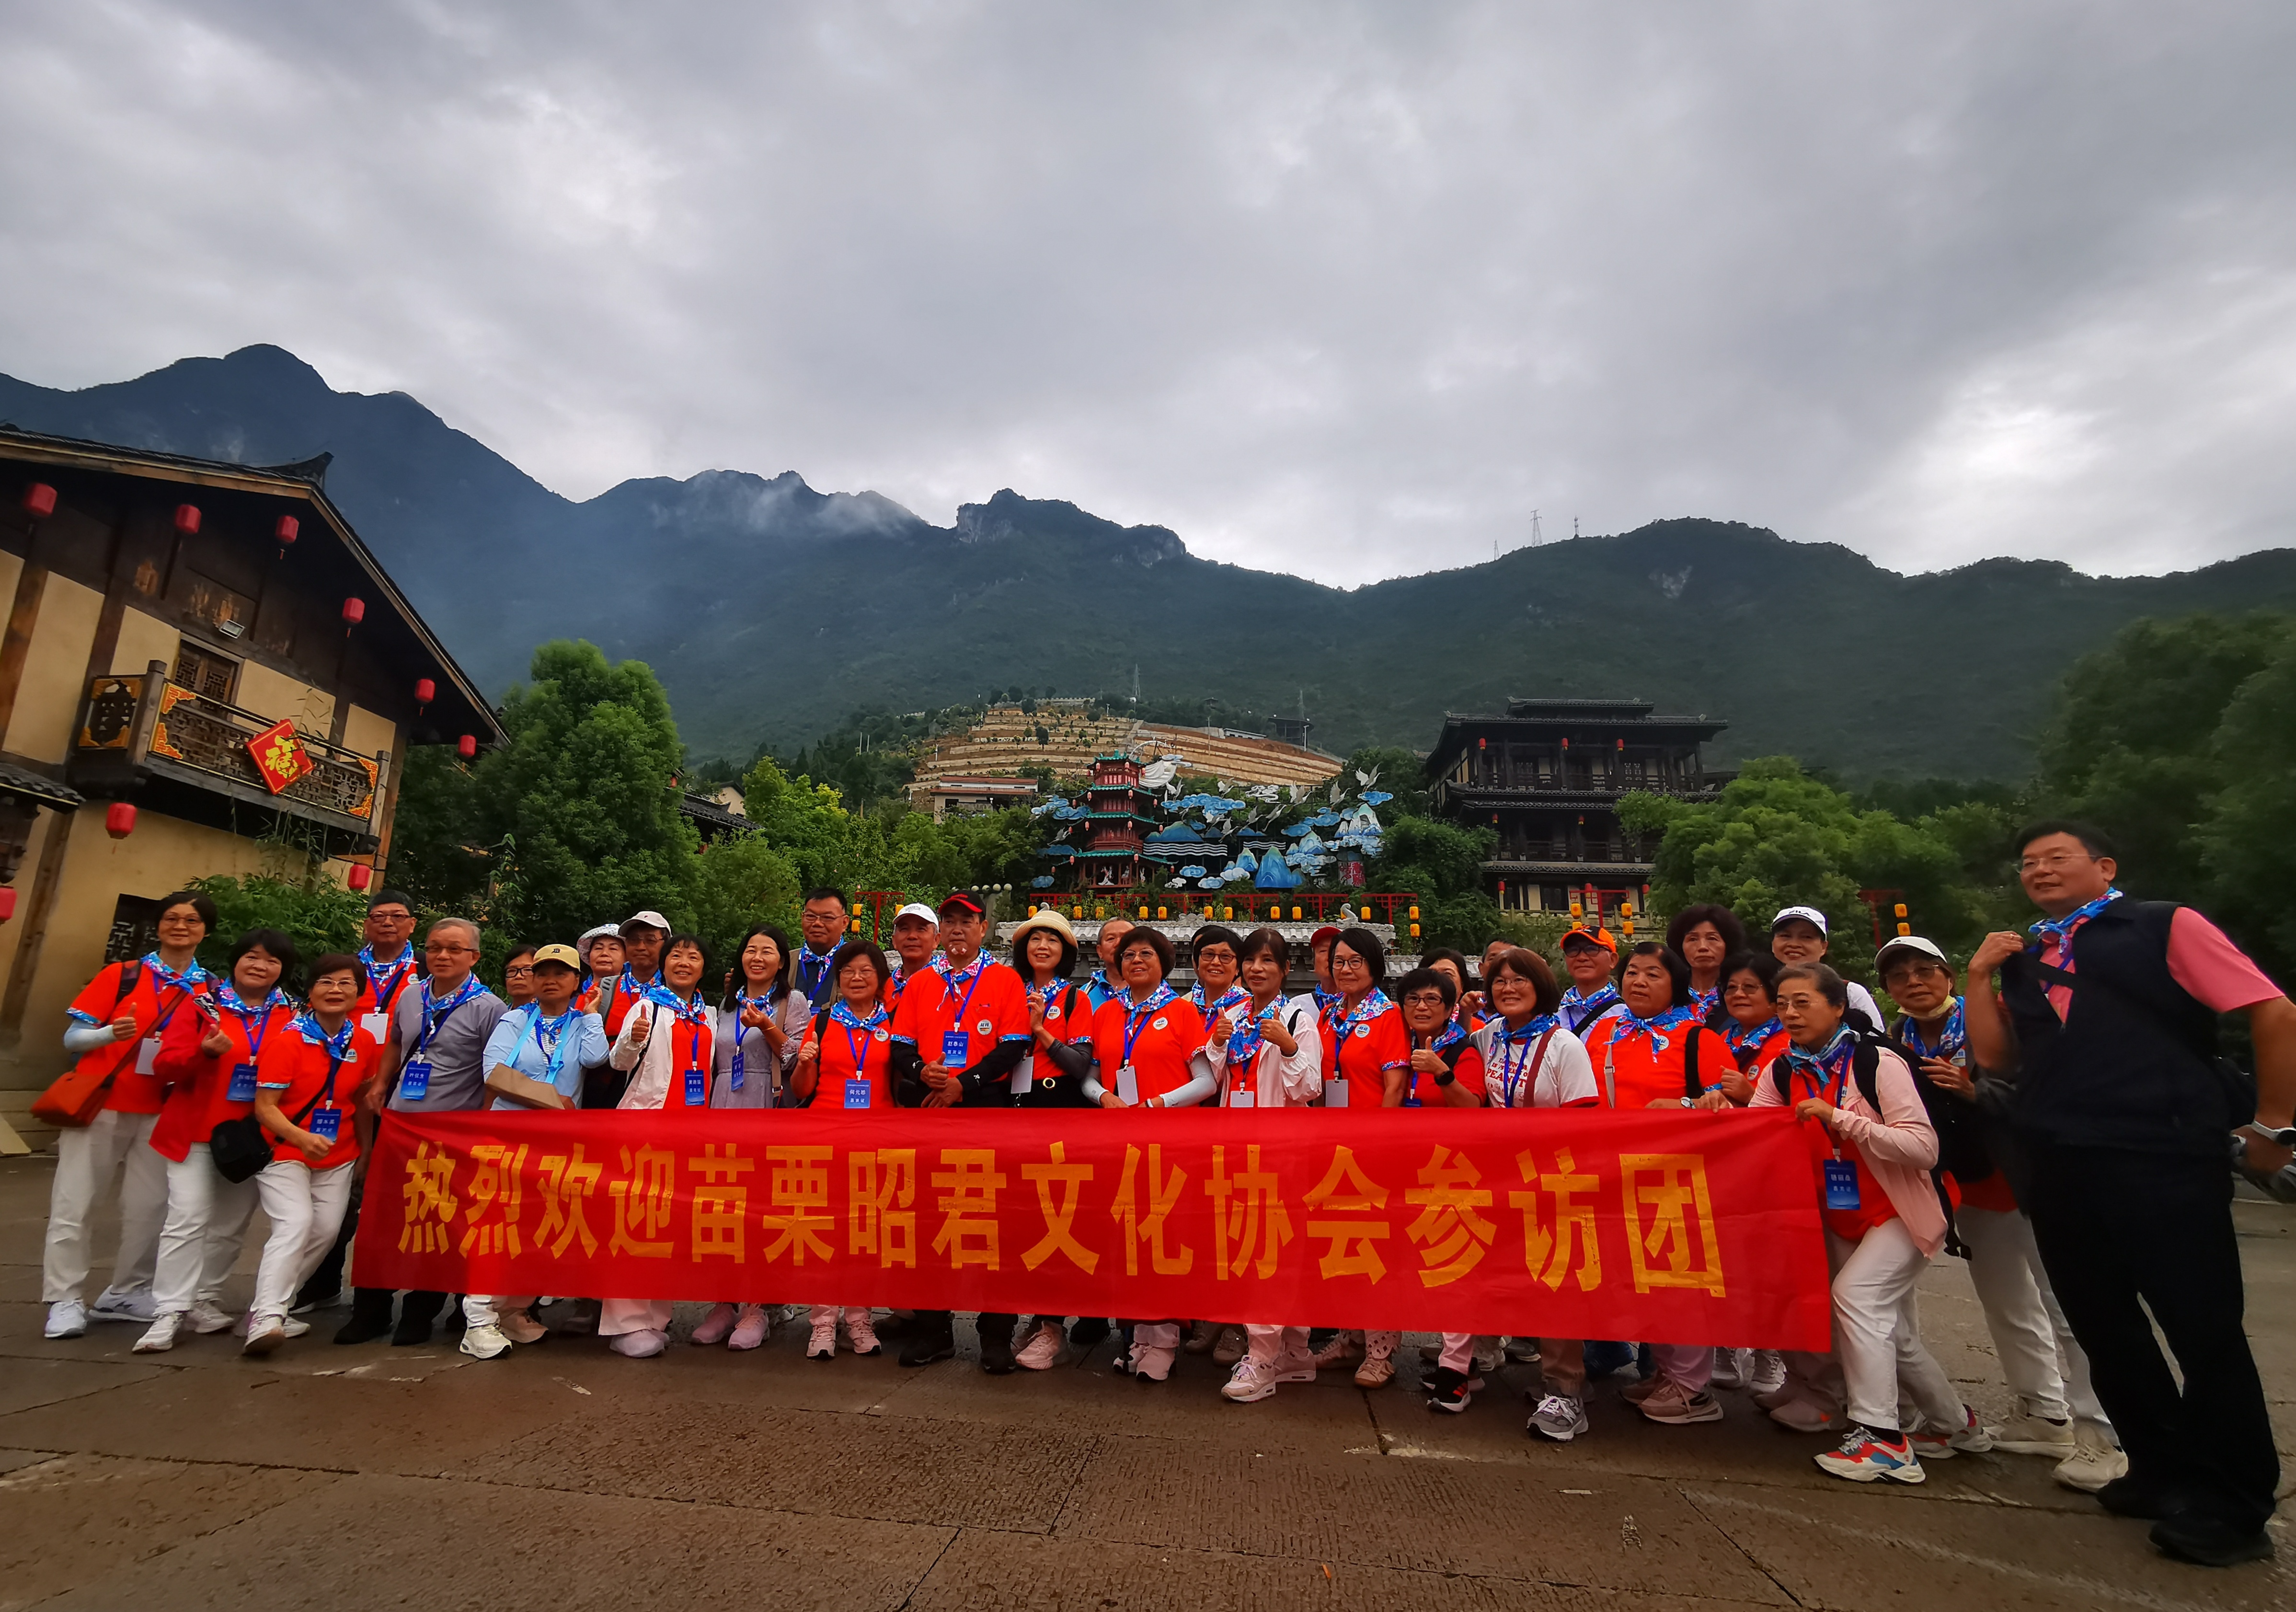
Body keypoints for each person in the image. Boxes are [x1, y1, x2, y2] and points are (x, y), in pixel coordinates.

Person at [1963, 821, 2293, 1566]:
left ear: (2105, 866)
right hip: (2060, 1160)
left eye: (2057, 858)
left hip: (2162, 1152)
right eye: (2028, 863)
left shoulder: (2163, 925)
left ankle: (2235, 1502)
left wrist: (2275, 1125)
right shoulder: (2028, 957)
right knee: (2104, 1324)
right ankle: (2160, 1468)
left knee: (2201, 1327)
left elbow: (2273, 1010)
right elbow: (1997, 1058)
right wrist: (1979, 975)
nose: (2040, 871)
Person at [1876, 933, 2122, 1492]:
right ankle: (2044, 1413)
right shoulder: (1898, 1039)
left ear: (1948, 975)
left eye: (1924, 970)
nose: (1913, 982)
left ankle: (2104, 1432)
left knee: (2071, 1307)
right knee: (2007, 1305)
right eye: (1898, 976)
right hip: (1973, 1187)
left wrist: (1974, 1091)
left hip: (2034, 1179)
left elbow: (2045, 1086)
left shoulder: (1994, 1017)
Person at [1754, 962, 1986, 1485]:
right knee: (1893, 1333)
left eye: (1803, 1002)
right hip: (1843, 1213)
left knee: (1856, 1299)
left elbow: (1923, 1148)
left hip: (1901, 1210)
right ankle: (1955, 1425)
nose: (1790, 1013)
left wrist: (1840, 1118)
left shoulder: (1876, 1060)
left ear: (1838, 1006)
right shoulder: (1782, 1069)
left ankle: (1882, 1438)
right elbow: (1755, 1131)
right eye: (1782, 1004)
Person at [43, 889, 215, 1339]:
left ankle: (127, 1291)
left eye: (192, 920)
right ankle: (64, 1297)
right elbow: (72, 1037)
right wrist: (108, 1034)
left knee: (149, 1208)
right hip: (101, 1105)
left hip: (162, 1110)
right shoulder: (123, 975)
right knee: (75, 1203)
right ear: (158, 926)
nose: (181, 927)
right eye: (172, 918)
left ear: (205, 931)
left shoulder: (211, 989)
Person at [339, 917, 507, 1347]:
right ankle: (371, 1311)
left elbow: (493, 1073)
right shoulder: (411, 995)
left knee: (437, 1224)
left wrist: (482, 1124)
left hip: (450, 1132)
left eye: (454, 949)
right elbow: (397, 1042)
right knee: (384, 1221)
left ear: (474, 957)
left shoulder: (490, 1008)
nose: (442, 956)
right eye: (434, 948)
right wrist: (380, 1084)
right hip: (400, 1125)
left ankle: (419, 1313)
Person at [1580, 942, 1728, 1426]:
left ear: (1676, 985)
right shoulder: (1606, 1032)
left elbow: (1726, 1106)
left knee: (1679, 1279)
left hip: (1676, 1178)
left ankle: (1693, 1388)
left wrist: (1682, 1107)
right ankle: (1665, 1371)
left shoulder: (1697, 1038)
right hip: (1613, 1173)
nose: (1639, 982)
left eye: (1653, 974)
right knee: (1644, 1279)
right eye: (1633, 973)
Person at [1457, 947, 1602, 1432]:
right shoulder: (1489, 1036)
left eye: (1519, 980)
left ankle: (1566, 1392)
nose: (1508, 989)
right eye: (1500, 981)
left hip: (1552, 1179)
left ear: (1540, 986)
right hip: (1498, 1179)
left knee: (1556, 1283)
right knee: (1497, 1274)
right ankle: (1482, 1358)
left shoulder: (1564, 1045)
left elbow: (1583, 1122)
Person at [134, 928, 298, 1352]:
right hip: (195, 1130)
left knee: (230, 1225)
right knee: (187, 1217)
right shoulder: (200, 1005)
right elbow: (165, 1064)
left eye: (272, 961)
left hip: (251, 1137)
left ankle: (204, 1299)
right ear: (236, 960)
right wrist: (202, 1053)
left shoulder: (293, 1014)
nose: (260, 966)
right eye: (252, 957)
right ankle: (169, 1310)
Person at [888, 891, 1033, 1370]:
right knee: (930, 1222)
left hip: (985, 1108)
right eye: (948, 921)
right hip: (931, 1109)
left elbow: (1013, 1046)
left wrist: (962, 1084)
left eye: (965, 921)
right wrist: (922, 1072)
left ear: (983, 928)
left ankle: (995, 1335)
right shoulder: (921, 983)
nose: (956, 929)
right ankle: (934, 1331)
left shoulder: (1004, 979)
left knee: (993, 1222)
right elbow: (901, 1047)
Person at [457, 944, 607, 1361]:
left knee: (542, 1228)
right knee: (498, 1226)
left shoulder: (581, 1022)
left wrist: (593, 1014)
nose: (550, 980)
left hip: (557, 1143)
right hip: (510, 1136)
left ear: (577, 982)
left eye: (561, 973)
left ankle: (511, 1311)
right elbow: (494, 1073)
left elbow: (597, 1058)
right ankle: (478, 1319)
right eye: (542, 973)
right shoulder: (515, 1020)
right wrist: (552, 1101)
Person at [1085, 923, 1212, 1382]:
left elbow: (1206, 1081)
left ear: (1164, 963)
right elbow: (1091, 1076)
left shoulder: (1181, 1011)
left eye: (1146, 954)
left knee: (1165, 1238)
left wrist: (1159, 1104)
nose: (1136, 961)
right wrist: (1104, 1096)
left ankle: (1165, 1339)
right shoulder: (1107, 1013)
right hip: (1120, 1139)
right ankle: (1139, 1335)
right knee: (1128, 1238)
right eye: (1128, 955)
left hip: (1169, 1142)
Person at [293, 887, 420, 1316]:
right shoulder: (344, 971)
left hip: (402, 1098)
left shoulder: (427, 972)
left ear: (412, 925)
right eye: (378, 916)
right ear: (366, 925)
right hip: (340, 1095)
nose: (387, 923)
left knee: (392, 1200)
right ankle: (321, 1282)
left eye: (397, 916)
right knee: (339, 1195)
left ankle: (379, 1296)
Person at [244, 955, 380, 1355]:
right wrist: (300, 1137)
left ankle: (273, 1305)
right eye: (326, 982)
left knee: (325, 1231)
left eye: (345, 983)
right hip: (284, 1149)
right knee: (295, 1223)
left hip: (339, 1154)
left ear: (358, 993)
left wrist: (366, 1151)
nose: (335, 990)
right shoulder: (287, 1040)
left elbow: (361, 1102)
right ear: (310, 992)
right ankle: (267, 1316)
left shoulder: (363, 1042)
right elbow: (265, 1107)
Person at [1216, 926, 1326, 1404]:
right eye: (1250, 960)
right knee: (1255, 1247)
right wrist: (1216, 1044)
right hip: (1236, 1149)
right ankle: (1296, 1352)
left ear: (1285, 970)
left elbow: (1309, 1087)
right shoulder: (1234, 1015)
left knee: (1270, 1252)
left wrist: (1287, 1046)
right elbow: (1215, 1081)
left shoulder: (1298, 1019)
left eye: (1267, 961)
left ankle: (1263, 1356)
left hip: (1280, 1152)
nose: (1256, 968)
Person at [598, 933, 717, 1358]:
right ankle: (625, 1325)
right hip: (646, 1130)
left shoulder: (707, 1016)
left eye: (693, 956)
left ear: (703, 968)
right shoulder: (647, 1006)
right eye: (676, 956)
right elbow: (619, 1062)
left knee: (669, 1230)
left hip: (689, 1134)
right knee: (634, 1226)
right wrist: (632, 1038)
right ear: (664, 964)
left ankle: (655, 1319)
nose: (683, 962)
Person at [1000, 909, 1102, 1370]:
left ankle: (1053, 1326)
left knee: (1056, 1219)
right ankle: (1035, 1315)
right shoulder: (1007, 993)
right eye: (1035, 939)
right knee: (1021, 1219)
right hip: (1015, 1107)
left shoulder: (1076, 998)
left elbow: (1080, 1064)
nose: (1043, 946)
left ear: (1066, 952)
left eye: (1053, 940)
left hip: (1059, 1107)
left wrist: (1039, 1029)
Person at [1311, 926, 1411, 1386]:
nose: (1346, 969)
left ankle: (1381, 1351)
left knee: (1376, 1249)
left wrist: (1380, 1140)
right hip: (1331, 1148)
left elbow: (1395, 1084)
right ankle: (1350, 1336)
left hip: (1370, 1148)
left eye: (1356, 961)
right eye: (1339, 962)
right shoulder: (1329, 1013)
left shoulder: (1388, 1016)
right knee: (1341, 1244)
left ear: (1374, 966)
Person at [787, 939, 894, 1360]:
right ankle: (823, 1322)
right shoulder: (823, 1021)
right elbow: (802, 1090)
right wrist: (806, 1061)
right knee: (826, 1232)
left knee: (865, 1234)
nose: (856, 978)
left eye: (866, 971)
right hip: (827, 1139)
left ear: (880, 979)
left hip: (877, 1141)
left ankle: (859, 1319)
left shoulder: (895, 1023)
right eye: (848, 971)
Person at [1703, 950, 1791, 1396]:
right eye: (1732, 988)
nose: (1738, 995)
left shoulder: (1787, 1042)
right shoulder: (1721, 1038)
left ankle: (1769, 1353)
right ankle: (1724, 1345)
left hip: (1772, 1171)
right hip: (1724, 1166)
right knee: (1722, 1259)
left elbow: (1800, 1105)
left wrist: (1750, 1090)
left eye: (1750, 988)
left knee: (1768, 1264)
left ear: (1774, 997)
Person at [1769, 907, 1885, 1030]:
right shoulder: (1761, 992)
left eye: (1807, 937)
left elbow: (1876, 1036)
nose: (1794, 944)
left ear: (1824, 947)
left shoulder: (1849, 992)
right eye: (1785, 936)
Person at [1393, 967, 1485, 1109]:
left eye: (1432, 999)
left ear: (1449, 1010)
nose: (1421, 1006)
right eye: (1413, 999)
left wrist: (1442, 1073)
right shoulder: (1397, 1045)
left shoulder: (1463, 1052)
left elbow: (1473, 1108)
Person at [1667, 904, 1747, 1019]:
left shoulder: (1741, 993)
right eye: (1693, 939)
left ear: (1728, 944)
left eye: (1712, 938)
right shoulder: (1669, 994)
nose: (1703, 947)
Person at [1556, 928, 1627, 1038]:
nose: (1582, 958)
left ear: (1613, 960)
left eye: (1592, 949)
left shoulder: (1627, 1016)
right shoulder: (1553, 1016)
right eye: (1573, 950)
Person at [793, 887, 851, 1008]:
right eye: (810, 916)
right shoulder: (784, 962)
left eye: (827, 918)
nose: (817, 923)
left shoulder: (857, 963)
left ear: (845, 923)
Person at [884, 903, 941, 1010]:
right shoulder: (885, 987)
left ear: (936, 940)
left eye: (921, 929)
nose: (912, 936)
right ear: (894, 940)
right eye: (904, 929)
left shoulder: (948, 985)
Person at [1420, 947, 1481, 1033]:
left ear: (1462, 985)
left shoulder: (1479, 1030)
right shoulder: (1405, 1024)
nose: (1439, 981)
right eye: (1432, 974)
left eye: (1447, 975)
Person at [1082, 915, 1134, 1010]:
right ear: (1100, 951)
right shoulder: (1085, 994)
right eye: (1111, 939)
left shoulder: (1153, 992)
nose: (1118, 943)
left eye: (1126, 938)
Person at [500, 944, 538, 1009]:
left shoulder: (550, 1014)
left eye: (527, 970)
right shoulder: (500, 1013)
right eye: (512, 971)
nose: (518, 976)